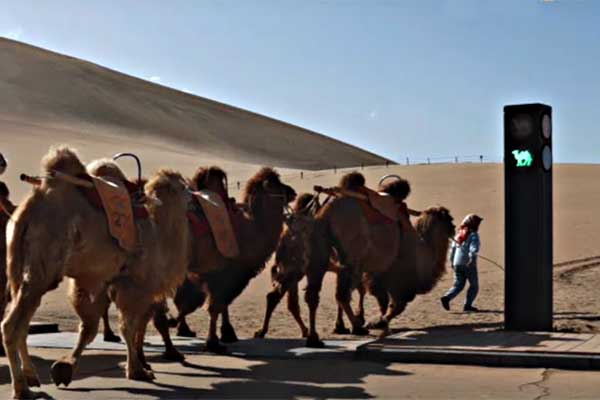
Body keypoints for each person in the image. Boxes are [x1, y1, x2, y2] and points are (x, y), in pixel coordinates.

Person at [441, 213, 483, 312]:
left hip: (457, 263)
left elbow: (453, 251)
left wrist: (452, 262)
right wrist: (472, 258)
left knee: (458, 285)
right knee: (474, 285)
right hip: (468, 263)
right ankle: (467, 305)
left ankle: (447, 297)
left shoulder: (458, 235)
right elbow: (473, 248)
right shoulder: (473, 235)